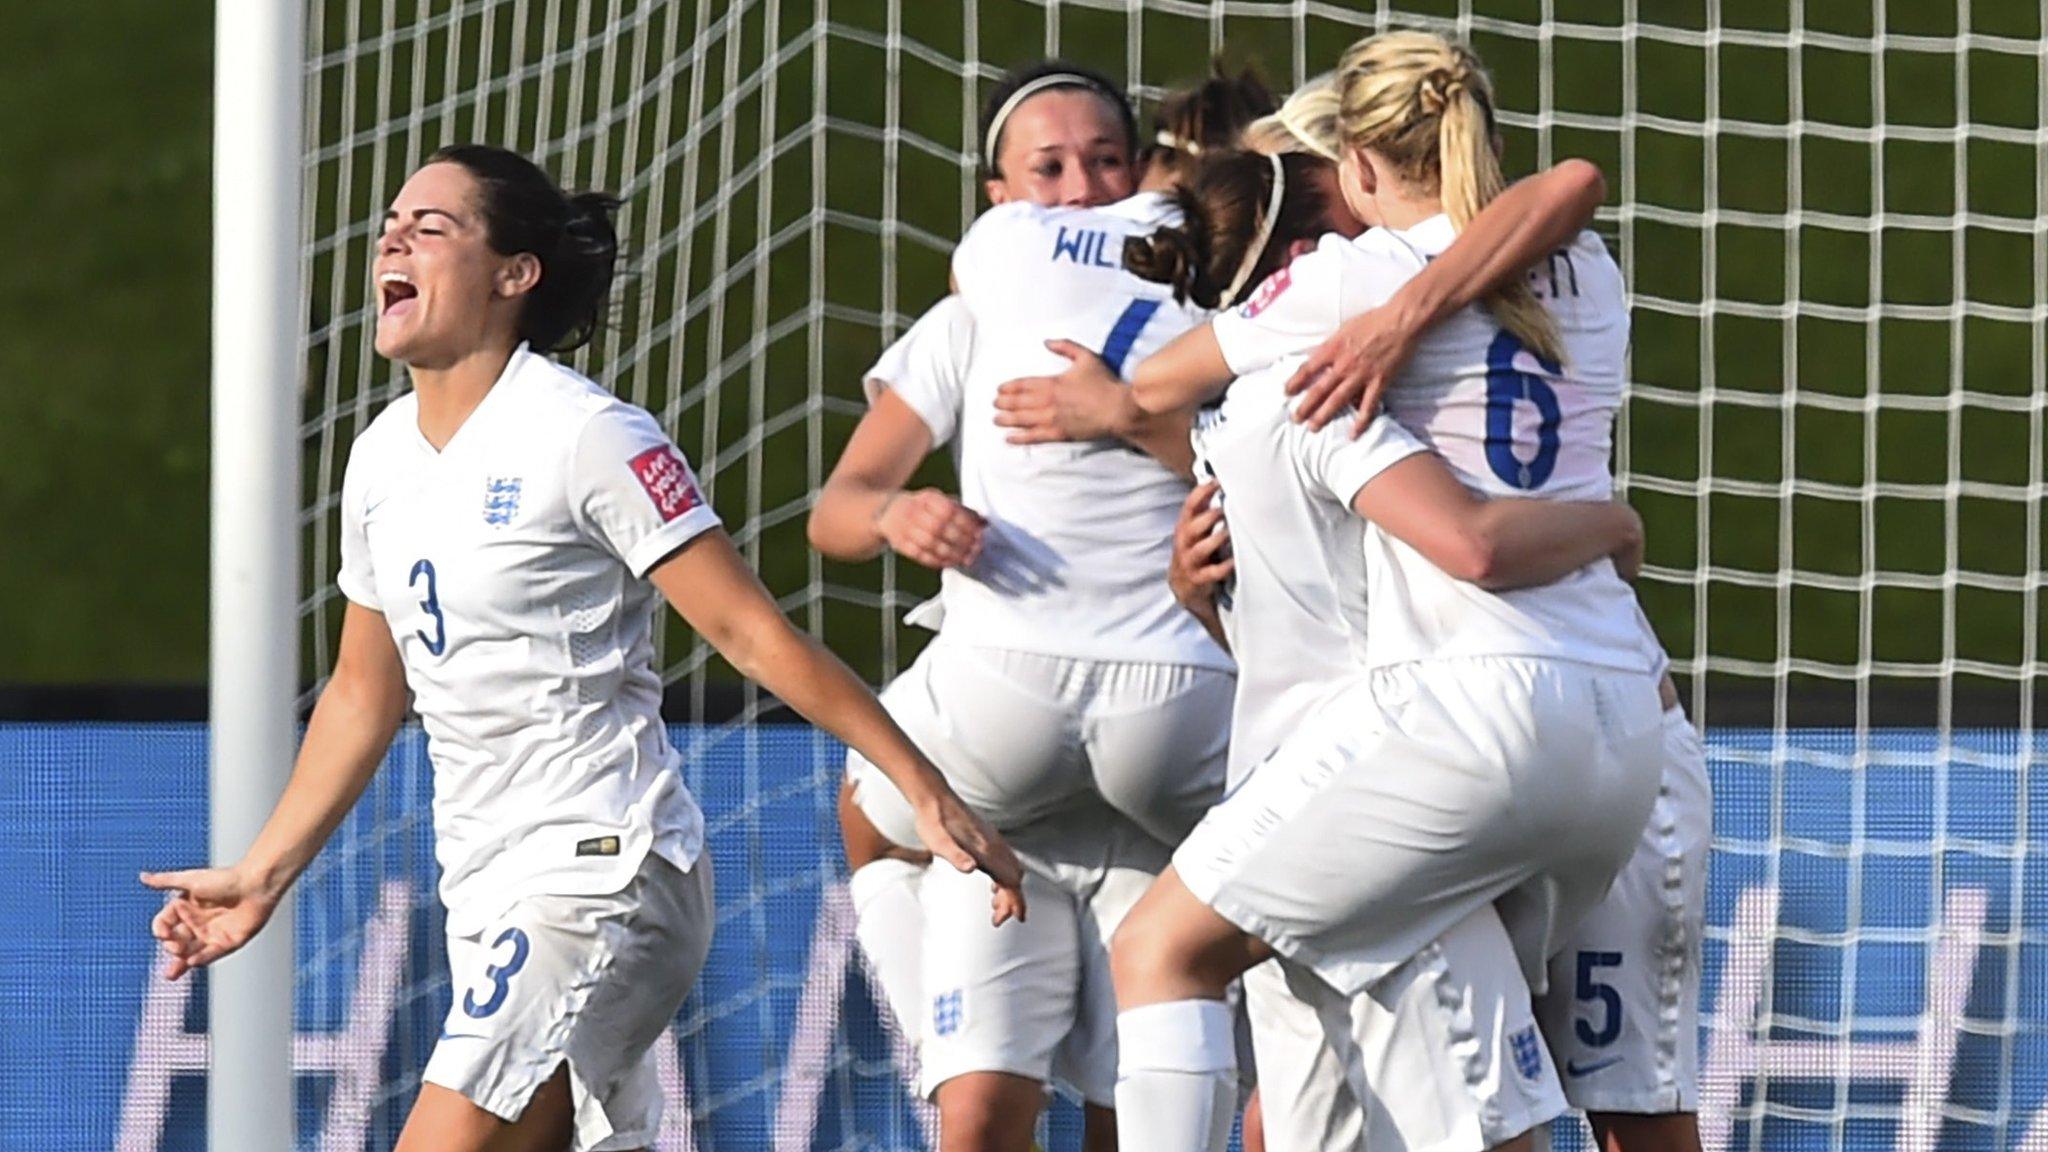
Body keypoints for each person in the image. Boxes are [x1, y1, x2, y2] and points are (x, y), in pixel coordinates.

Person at [141, 144, 1022, 1152]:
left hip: (603, 862)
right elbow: (361, 692)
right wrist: (260, 875)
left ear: (515, 275)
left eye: (432, 226)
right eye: (392, 223)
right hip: (485, 879)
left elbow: (747, 630)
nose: (393, 236)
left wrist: (922, 785)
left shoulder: (588, 434)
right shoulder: (381, 455)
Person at [1137, 38, 1714, 1152]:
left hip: (1467, 714)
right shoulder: (1589, 267)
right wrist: (1613, 523)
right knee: (1630, 1113)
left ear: (1352, 169)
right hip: (1631, 722)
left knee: (1183, 960)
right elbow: (1571, 185)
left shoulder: (1344, 287)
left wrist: (1097, 406)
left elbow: (1152, 386)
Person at [809, 60, 1274, 1152]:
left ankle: (931, 1041)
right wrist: (894, 516)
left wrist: (1111, 416)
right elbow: (842, 506)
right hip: (1158, 731)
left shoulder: (1156, 308)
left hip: (1006, 738)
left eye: (1102, 163)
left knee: (870, 810)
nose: (1075, 189)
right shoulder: (1201, 313)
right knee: (1019, 1107)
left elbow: (826, 511)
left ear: (1143, 173)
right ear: (996, 193)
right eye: (1049, 168)